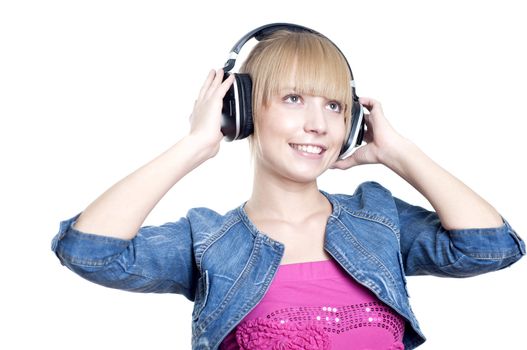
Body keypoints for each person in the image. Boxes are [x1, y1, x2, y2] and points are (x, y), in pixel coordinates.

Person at [51, 23, 525, 350]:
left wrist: (400, 153)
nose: (317, 124)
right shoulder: (209, 240)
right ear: (243, 110)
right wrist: (195, 144)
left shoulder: (377, 218)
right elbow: (90, 251)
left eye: (336, 106)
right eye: (294, 99)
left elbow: (491, 247)